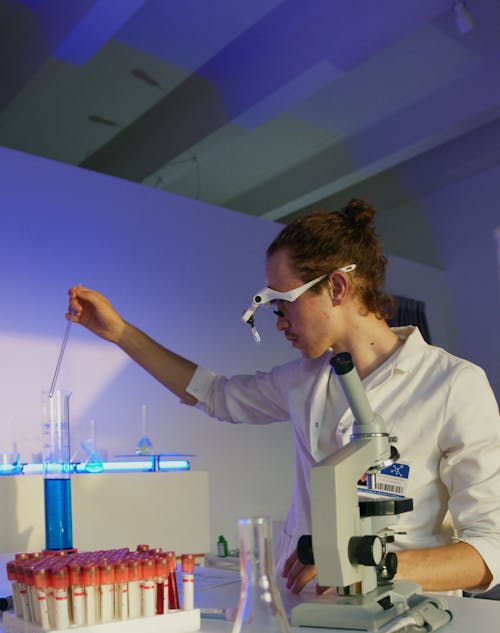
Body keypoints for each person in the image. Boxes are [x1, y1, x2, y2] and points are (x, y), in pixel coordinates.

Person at [67, 199, 500, 597]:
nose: (278, 322)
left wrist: (368, 567)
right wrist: (120, 334)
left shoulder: (452, 385)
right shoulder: (306, 378)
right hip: (304, 617)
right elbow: (215, 395)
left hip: (409, 630)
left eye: (282, 304)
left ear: (335, 288)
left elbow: (488, 552)